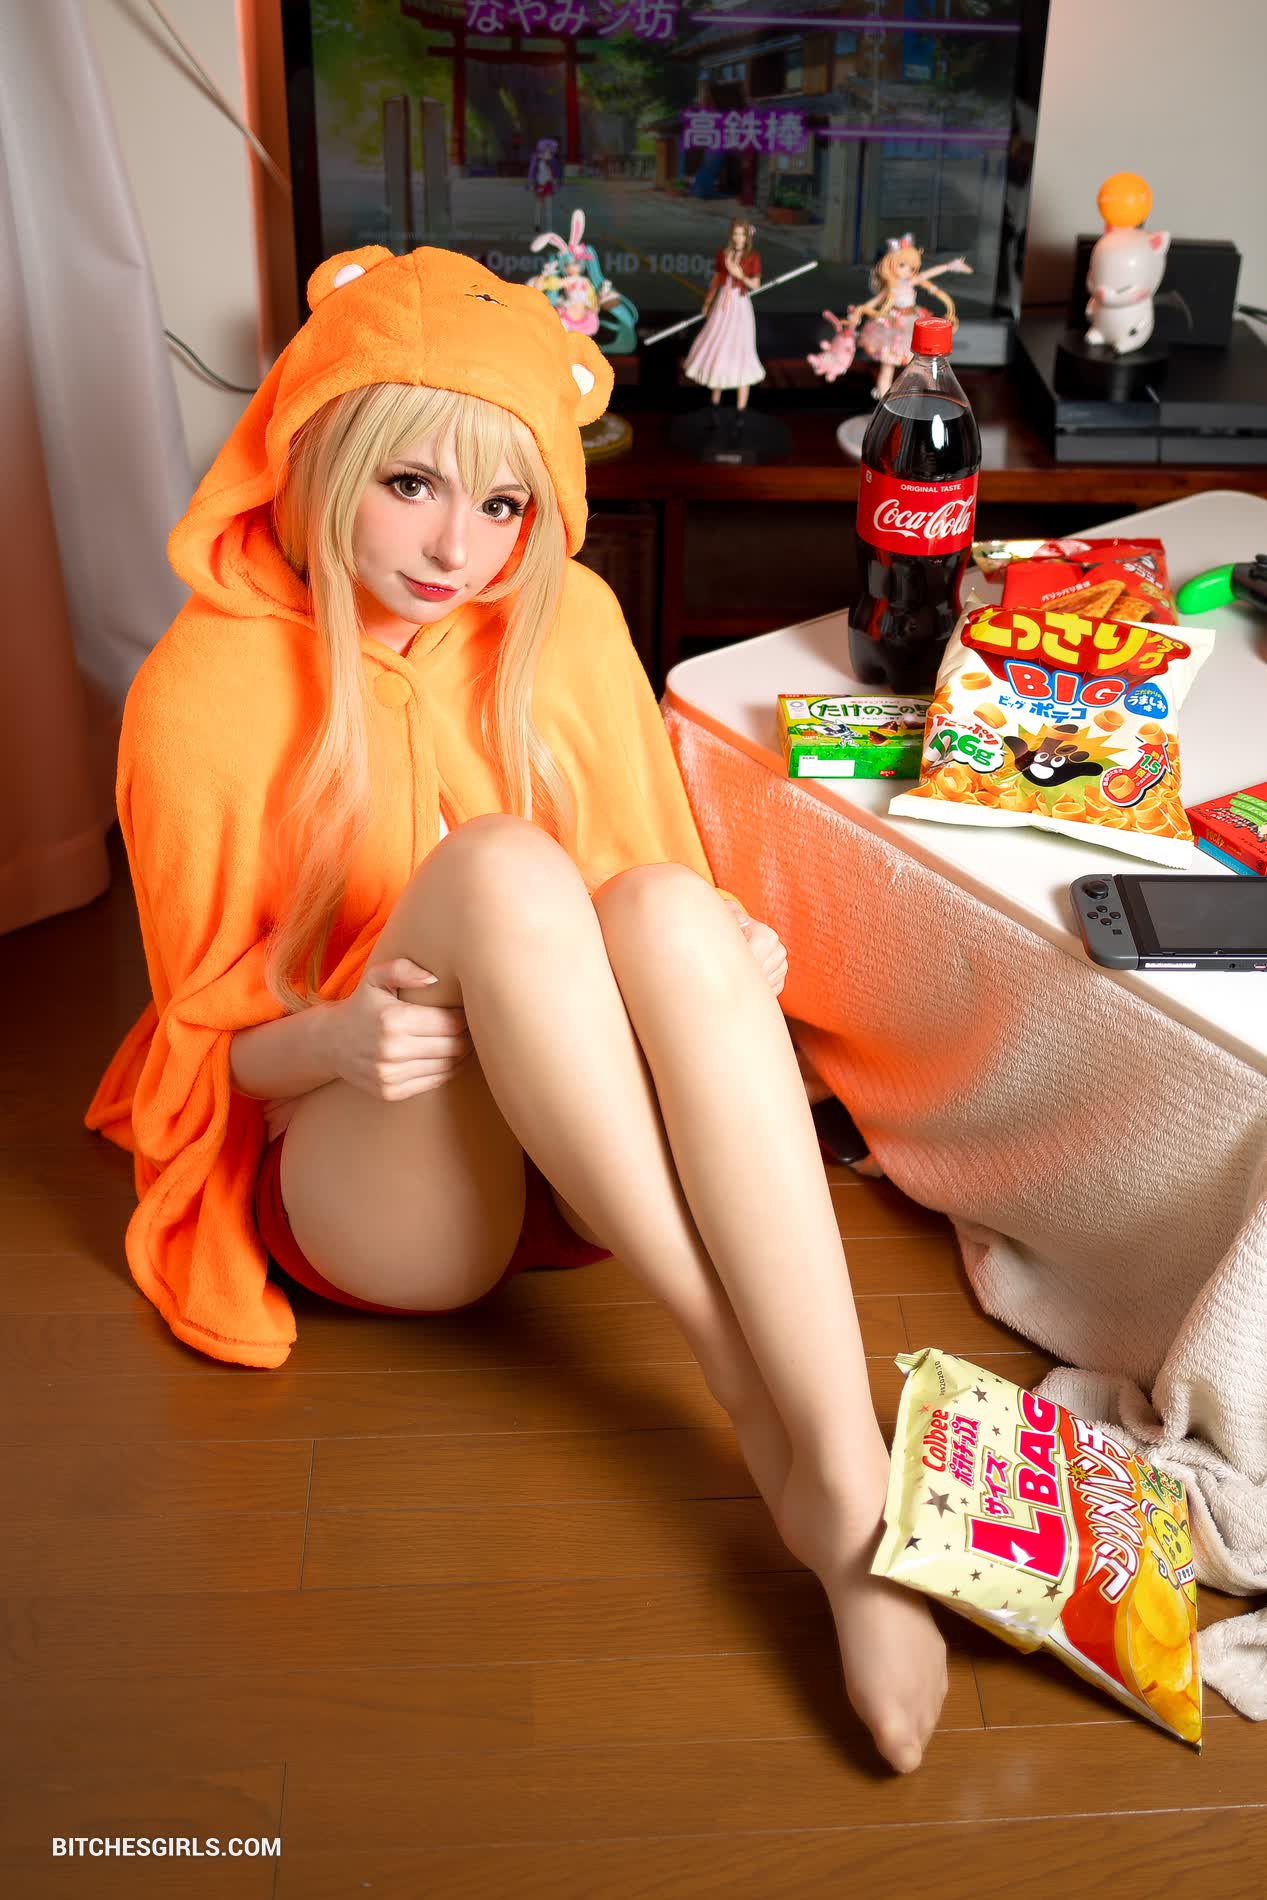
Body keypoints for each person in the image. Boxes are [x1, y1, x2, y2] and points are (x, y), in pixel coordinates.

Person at [83, 244, 946, 1774]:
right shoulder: (198, 690)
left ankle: (844, 1479)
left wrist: (721, 947)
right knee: (494, 868)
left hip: (576, 1150)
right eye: (410, 483)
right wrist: (336, 1037)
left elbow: (640, 888)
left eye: (502, 504)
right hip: (371, 1172)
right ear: (319, 453)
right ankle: (747, 1389)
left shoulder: (568, 624)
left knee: (669, 908)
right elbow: (200, 1049)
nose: (457, 548)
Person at [847, 234, 972, 401]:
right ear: (890, 264)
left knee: (921, 362)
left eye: (912, 267)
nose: (908, 270)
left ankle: (929, 394)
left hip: (912, 321)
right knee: (888, 364)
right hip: (892, 325)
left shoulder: (910, 281)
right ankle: (884, 398)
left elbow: (927, 275)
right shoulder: (891, 287)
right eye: (902, 265)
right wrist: (859, 312)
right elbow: (873, 303)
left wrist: (949, 266)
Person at [683, 219, 765, 417]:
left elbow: (756, 285)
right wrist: (708, 302)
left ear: (747, 236)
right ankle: (714, 406)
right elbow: (716, 280)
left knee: (740, 349)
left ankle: (741, 413)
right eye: (735, 234)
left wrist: (741, 275)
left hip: (740, 305)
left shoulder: (753, 256)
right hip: (722, 304)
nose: (738, 238)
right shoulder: (723, 253)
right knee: (717, 346)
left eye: (742, 234)